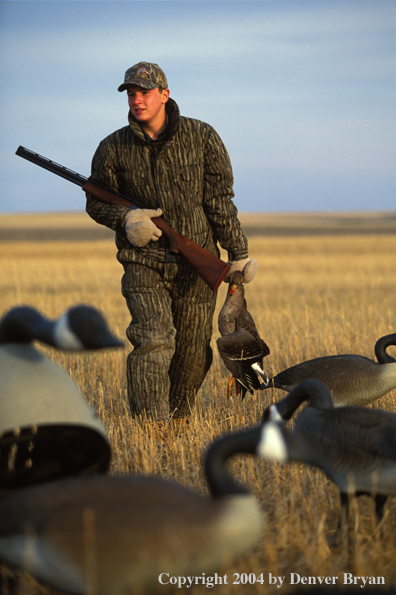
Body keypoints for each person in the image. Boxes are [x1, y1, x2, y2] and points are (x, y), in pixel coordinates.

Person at [85, 61, 256, 424]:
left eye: (144, 92)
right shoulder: (112, 147)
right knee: (152, 340)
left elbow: (219, 200)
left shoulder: (202, 137)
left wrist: (237, 252)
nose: (137, 99)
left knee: (192, 352)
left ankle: (178, 420)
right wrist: (127, 219)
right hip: (142, 262)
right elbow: (96, 201)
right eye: (131, 93)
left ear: (165, 94)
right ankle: (151, 427)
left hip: (198, 264)